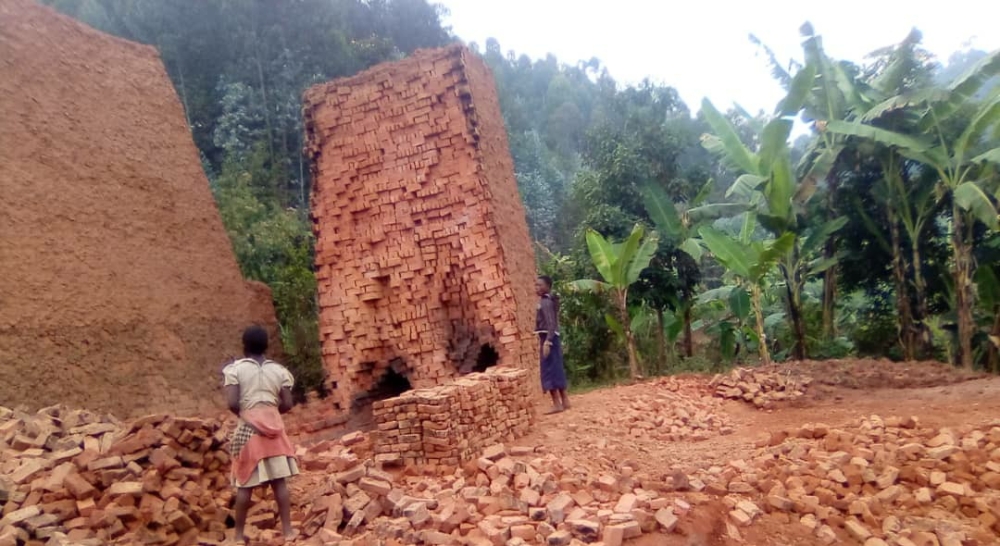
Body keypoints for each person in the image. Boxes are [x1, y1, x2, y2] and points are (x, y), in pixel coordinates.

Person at [223, 325, 298, 544]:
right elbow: (288, 403)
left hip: (246, 428)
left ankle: (237, 535)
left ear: (244, 346)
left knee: (243, 482)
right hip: (275, 427)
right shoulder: (279, 371)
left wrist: (248, 416)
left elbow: (231, 403)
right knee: (279, 482)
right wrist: (270, 414)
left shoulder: (235, 370)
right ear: (267, 346)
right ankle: (288, 531)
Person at [536, 275, 569, 413]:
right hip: (554, 338)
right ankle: (565, 400)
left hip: (549, 338)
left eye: (539, 285)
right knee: (556, 368)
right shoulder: (550, 300)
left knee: (549, 370)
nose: (536, 288)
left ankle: (556, 404)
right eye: (536, 285)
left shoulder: (545, 302)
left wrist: (547, 341)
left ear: (548, 286)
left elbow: (550, 322)